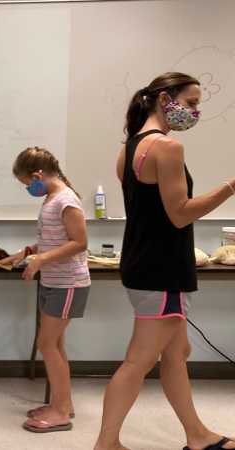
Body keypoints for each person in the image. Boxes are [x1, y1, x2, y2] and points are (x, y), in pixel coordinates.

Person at [94, 72, 235, 450]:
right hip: (162, 270)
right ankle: (105, 444)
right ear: (163, 99)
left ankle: (197, 436)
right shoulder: (167, 148)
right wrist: (231, 187)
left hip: (142, 265)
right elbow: (180, 214)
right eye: (190, 103)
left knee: (177, 353)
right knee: (138, 361)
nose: (195, 111)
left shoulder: (129, 148)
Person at [1, 146, 90, 433]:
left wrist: (41, 259)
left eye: (28, 184)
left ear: (38, 175)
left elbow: (79, 242)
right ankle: (62, 403)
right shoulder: (52, 199)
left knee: (47, 344)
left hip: (68, 284)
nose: (29, 188)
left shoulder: (66, 200)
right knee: (55, 344)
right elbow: (55, 240)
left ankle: (61, 411)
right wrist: (26, 251)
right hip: (55, 282)